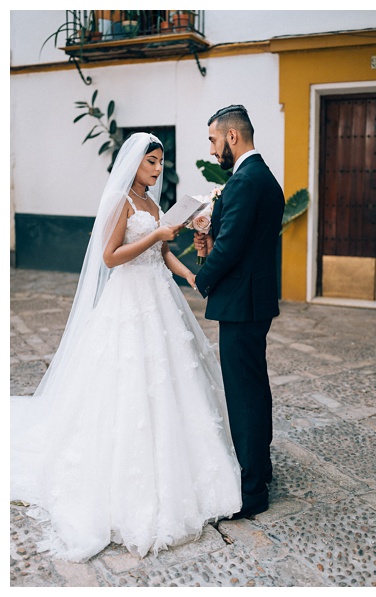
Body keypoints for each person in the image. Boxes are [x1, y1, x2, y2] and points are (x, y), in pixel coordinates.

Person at [10, 132, 242, 561]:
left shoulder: (154, 205)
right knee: (126, 383)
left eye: (160, 162)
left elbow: (165, 252)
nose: (158, 169)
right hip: (129, 299)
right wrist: (155, 238)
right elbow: (110, 256)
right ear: (134, 163)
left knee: (175, 380)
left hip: (160, 295)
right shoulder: (125, 204)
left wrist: (191, 276)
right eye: (152, 162)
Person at [192, 104, 285, 520]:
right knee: (254, 387)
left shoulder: (247, 180)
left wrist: (201, 278)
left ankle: (252, 492)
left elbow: (230, 247)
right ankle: (260, 470)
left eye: (213, 140)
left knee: (244, 395)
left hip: (242, 302)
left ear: (232, 137)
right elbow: (237, 240)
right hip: (253, 299)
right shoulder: (258, 177)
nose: (212, 150)